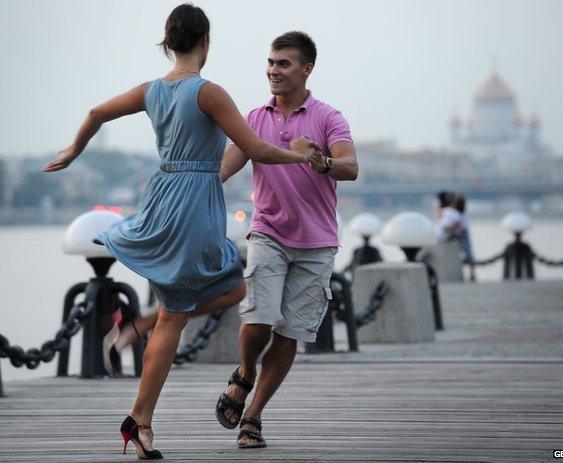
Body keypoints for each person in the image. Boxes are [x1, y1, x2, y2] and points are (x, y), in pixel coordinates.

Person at [43, 5, 319, 459]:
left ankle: (140, 383)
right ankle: (140, 412)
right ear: (205, 43)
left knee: (207, 298)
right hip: (195, 201)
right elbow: (252, 149)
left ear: (169, 42)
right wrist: (301, 156)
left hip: (162, 195)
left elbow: (95, 112)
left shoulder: (153, 89)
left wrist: (74, 149)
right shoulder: (208, 92)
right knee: (207, 300)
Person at [216, 31, 358, 449]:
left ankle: (253, 417)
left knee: (289, 332)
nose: (273, 70)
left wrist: (321, 161)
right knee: (258, 318)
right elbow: (226, 166)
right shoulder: (254, 118)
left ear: (306, 69)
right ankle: (244, 371)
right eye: (271, 62)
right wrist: (193, 183)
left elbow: (350, 168)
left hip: (317, 243)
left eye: (283, 63)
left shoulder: (329, 117)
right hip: (269, 233)